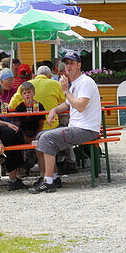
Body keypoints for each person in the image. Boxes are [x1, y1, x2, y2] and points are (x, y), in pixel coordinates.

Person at [31, 51, 102, 192]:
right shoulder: (75, 83)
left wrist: (65, 91)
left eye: (72, 63)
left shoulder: (86, 82)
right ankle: (54, 177)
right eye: (67, 63)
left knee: (46, 137)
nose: (68, 66)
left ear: (79, 65)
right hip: (78, 127)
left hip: (86, 129)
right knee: (40, 136)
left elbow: (80, 106)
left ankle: (48, 180)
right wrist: (54, 110)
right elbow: (69, 104)